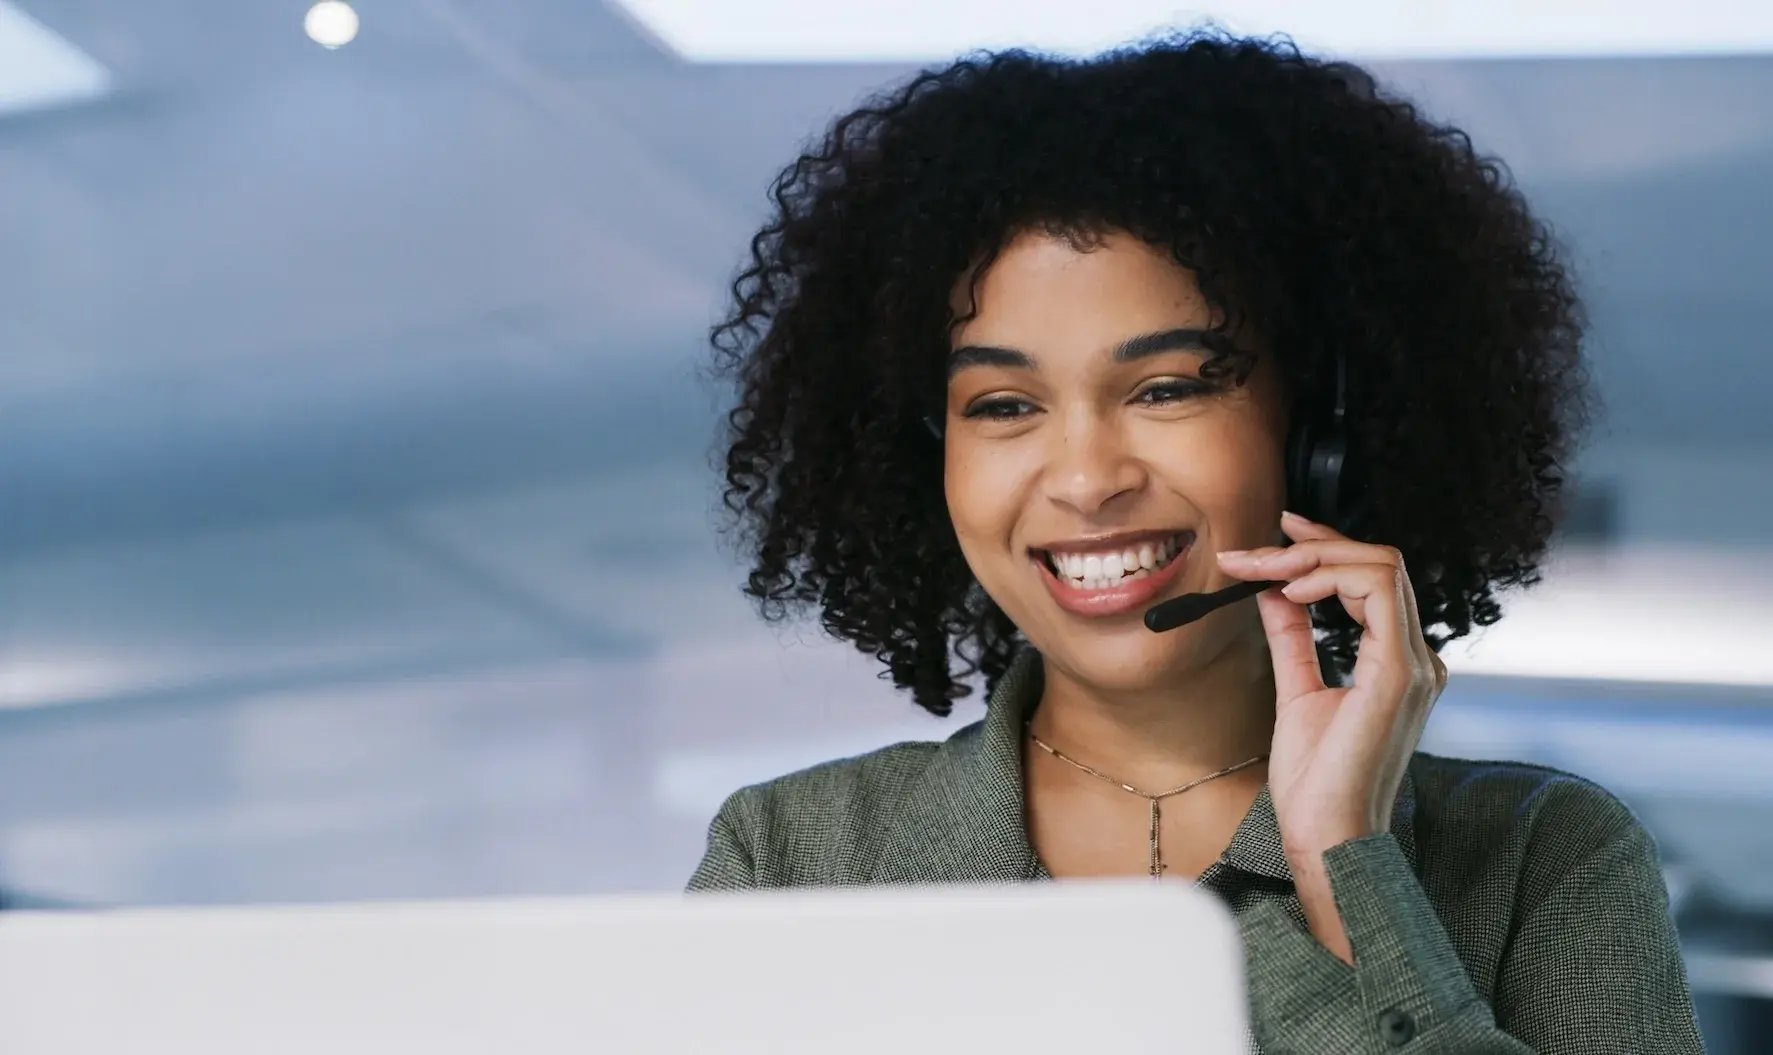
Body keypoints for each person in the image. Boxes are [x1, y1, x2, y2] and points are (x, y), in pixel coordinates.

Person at [685, 28, 1705, 1054]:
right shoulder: (792, 859)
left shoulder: (1542, 857)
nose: (1086, 479)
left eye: (1166, 388)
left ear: (1317, 438)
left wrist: (1347, 872)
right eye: (1002, 404)